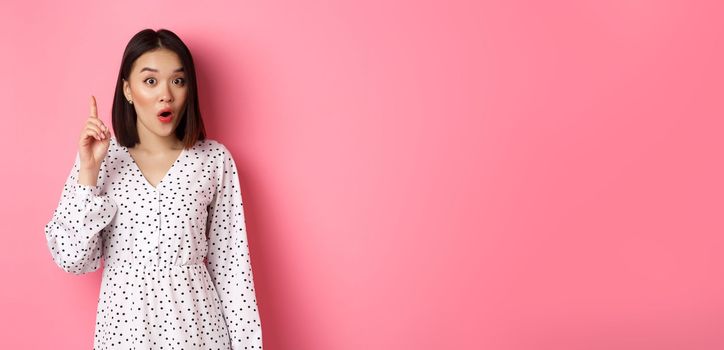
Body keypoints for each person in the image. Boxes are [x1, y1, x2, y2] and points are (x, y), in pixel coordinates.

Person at [43, 28, 263, 349]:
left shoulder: (213, 160)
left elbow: (233, 271)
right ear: (128, 90)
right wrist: (89, 171)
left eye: (178, 80)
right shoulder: (102, 160)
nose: (166, 95)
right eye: (150, 81)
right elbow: (72, 259)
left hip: (199, 332)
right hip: (124, 333)